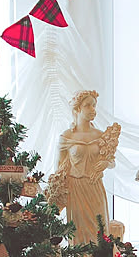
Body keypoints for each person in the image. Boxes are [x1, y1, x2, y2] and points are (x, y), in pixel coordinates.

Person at [47, 90, 121, 245]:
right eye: (88, 105)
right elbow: (58, 169)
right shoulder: (67, 137)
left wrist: (106, 164)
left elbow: (112, 161)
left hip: (95, 187)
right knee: (79, 233)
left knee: (99, 229)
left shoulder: (100, 135)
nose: (93, 109)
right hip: (76, 189)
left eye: (94, 105)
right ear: (78, 108)